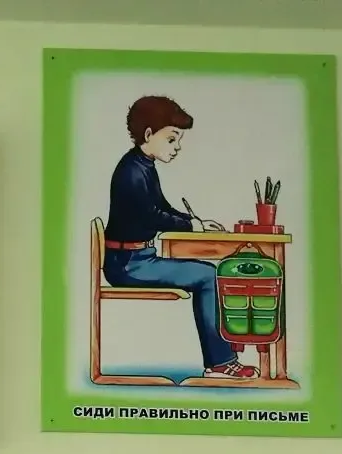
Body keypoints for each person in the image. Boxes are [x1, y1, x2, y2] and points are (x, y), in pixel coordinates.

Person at [102, 96, 256, 380]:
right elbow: (151, 215)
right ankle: (220, 363)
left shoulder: (143, 165)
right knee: (208, 275)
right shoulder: (131, 172)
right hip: (128, 264)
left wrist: (195, 223)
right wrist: (192, 225)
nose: (178, 147)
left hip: (137, 259)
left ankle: (220, 360)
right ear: (149, 134)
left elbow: (162, 207)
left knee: (207, 273)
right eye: (172, 139)